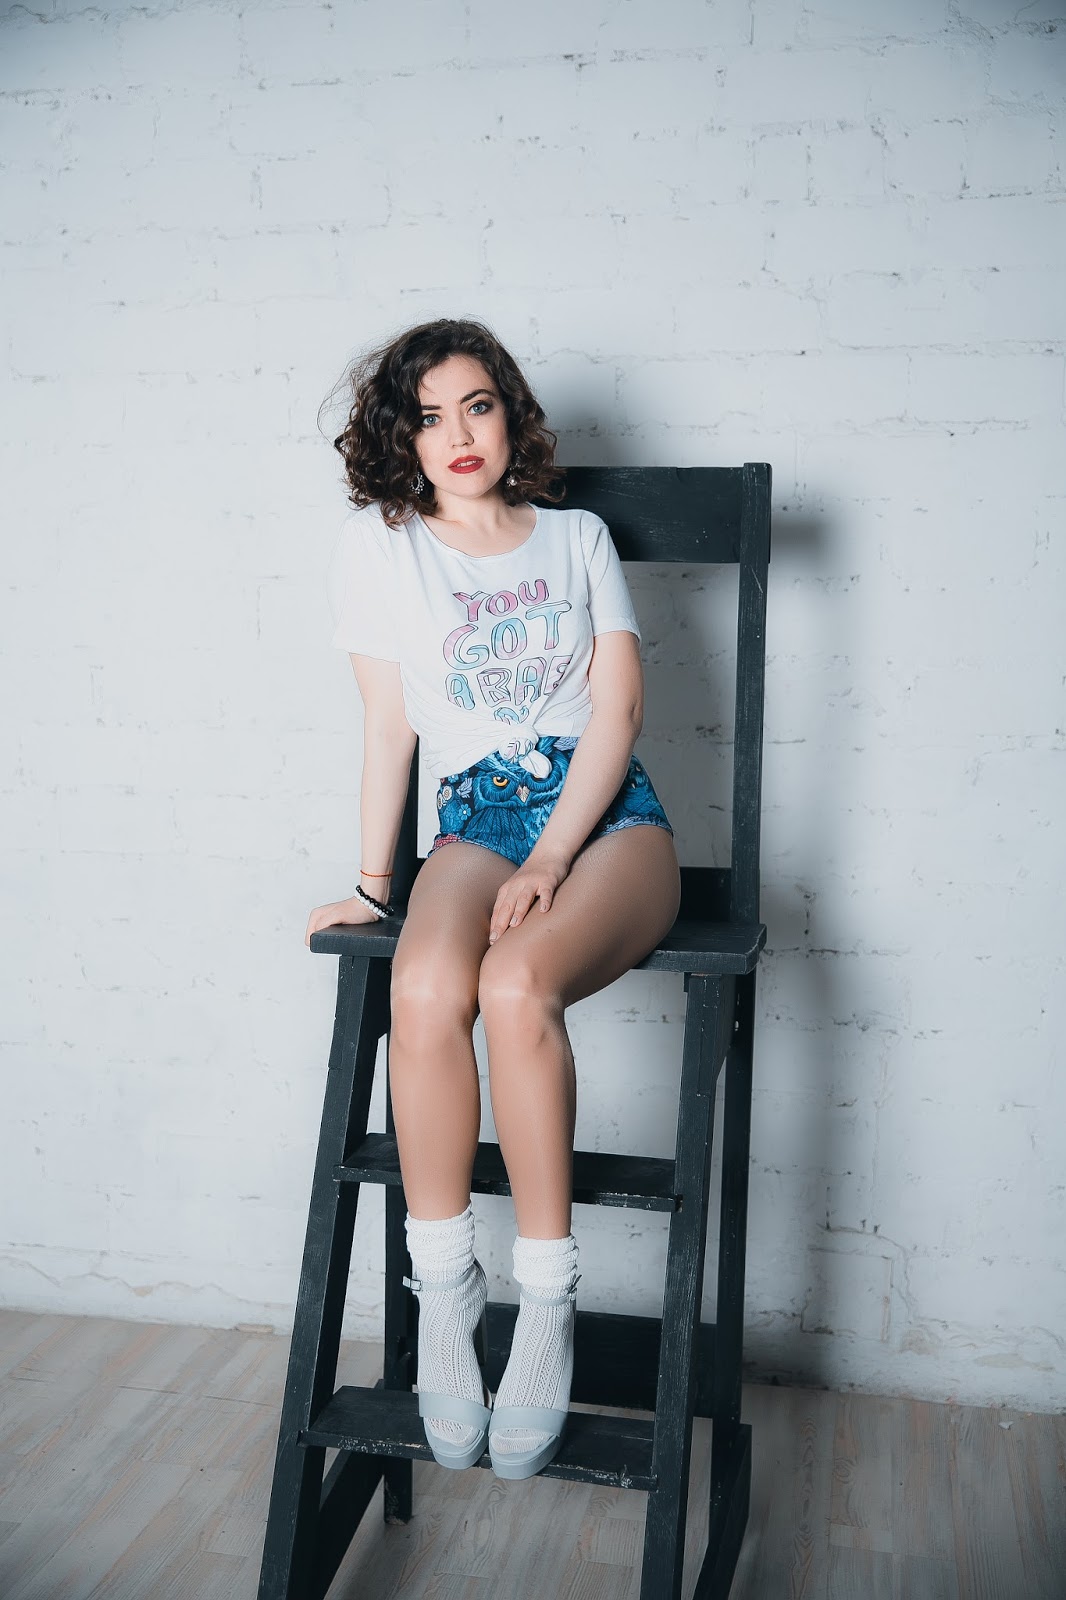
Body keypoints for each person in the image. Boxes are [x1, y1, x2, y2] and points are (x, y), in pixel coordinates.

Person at [305, 317, 681, 1480]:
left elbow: (618, 713)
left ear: (509, 413)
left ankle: (547, 1302)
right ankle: (447, 1293)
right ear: (400, 439)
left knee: (514, 984)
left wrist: (551, 858)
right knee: (423, 985)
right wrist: (373, 889)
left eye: (476, 404)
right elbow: (389, 728)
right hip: (475, 814)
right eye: (427, 416)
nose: (457, 434)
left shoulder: (576, 537)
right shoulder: (381, 549)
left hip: (605, 820)